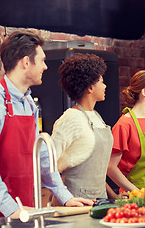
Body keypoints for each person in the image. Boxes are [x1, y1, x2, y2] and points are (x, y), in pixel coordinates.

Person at [0, 30, 93, 218]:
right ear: (26, 62)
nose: (45, 67)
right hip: (7, 211)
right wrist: (11, 209)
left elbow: (43, 157)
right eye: (42, 60)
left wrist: (65, 197)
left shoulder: (29, 104)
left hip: (25, 208)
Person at [51, 53, 113, 200]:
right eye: (101, 81)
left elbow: (97, 171)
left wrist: (113, 197)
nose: (105, 86)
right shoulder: (70, 119)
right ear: (90, 87)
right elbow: (49, 165)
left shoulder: (97, 117)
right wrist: (66, 199)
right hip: (75, 202)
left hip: (101, 200)